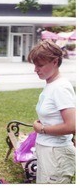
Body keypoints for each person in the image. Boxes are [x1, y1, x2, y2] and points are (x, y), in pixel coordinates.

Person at [28, 40, 75, 184]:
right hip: (48, 151)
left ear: (55, 62)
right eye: (35, 65)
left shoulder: (61, 87)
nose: (36, 69)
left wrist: (41, 128)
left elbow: (72, 126)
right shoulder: (51, 84)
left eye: (40, 65)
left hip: (56, 154)